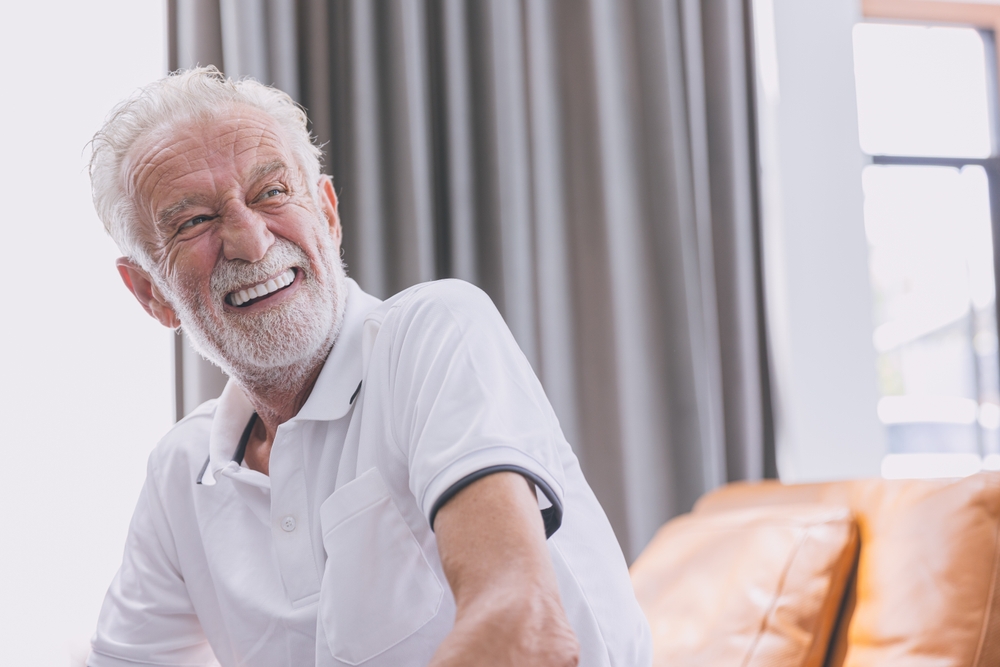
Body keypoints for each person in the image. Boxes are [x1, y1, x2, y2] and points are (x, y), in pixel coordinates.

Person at [86, 66, 651, 667]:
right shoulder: (182, 473)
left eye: (272, 192)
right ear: (151, 292)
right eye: (194, 221)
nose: (250, 241)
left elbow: (522, 629)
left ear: (327, 213)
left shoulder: (433, 332)